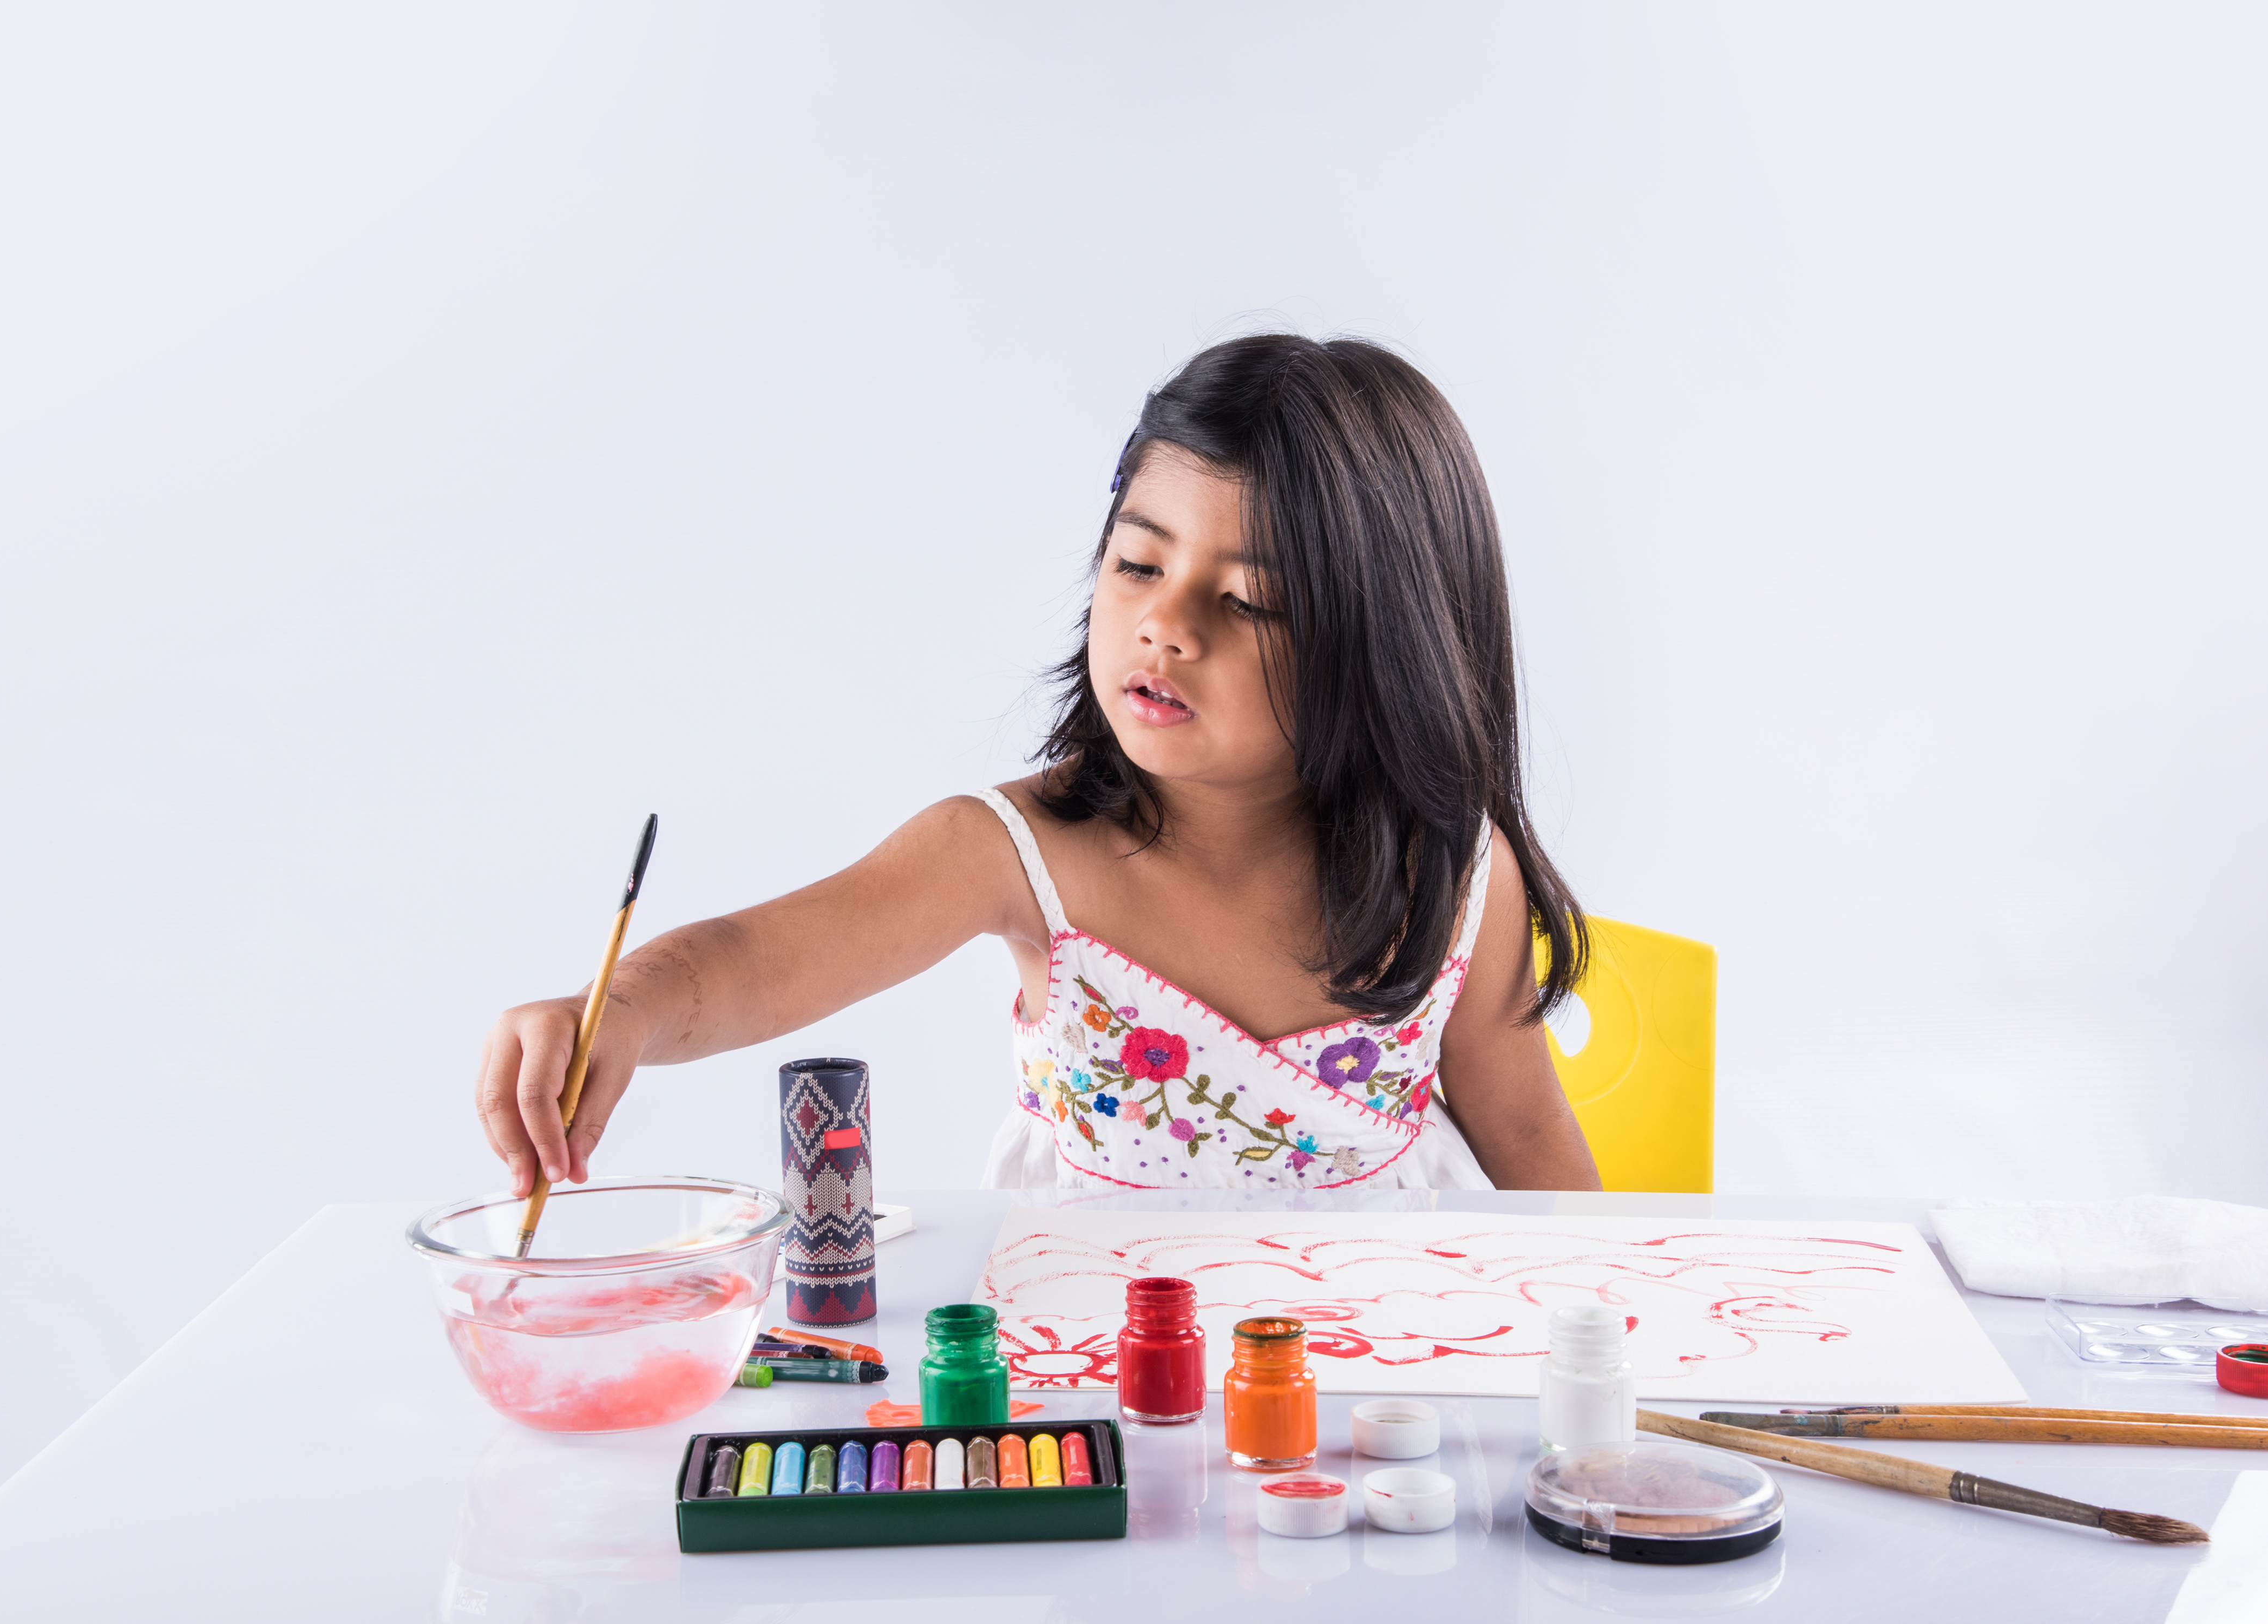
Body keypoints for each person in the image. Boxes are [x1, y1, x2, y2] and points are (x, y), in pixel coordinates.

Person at [477, 335, 1602, 1194]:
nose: (1165, 625)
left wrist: (1629, 1373)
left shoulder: (1450, 878)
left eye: (1249, 600)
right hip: (1097, 1362)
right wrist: (613, 1008)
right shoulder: (1016, 853)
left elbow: (1530, 1134)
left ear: (1387, 643)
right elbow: (761, 961)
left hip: (1383, 1371)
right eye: (1137, 565)